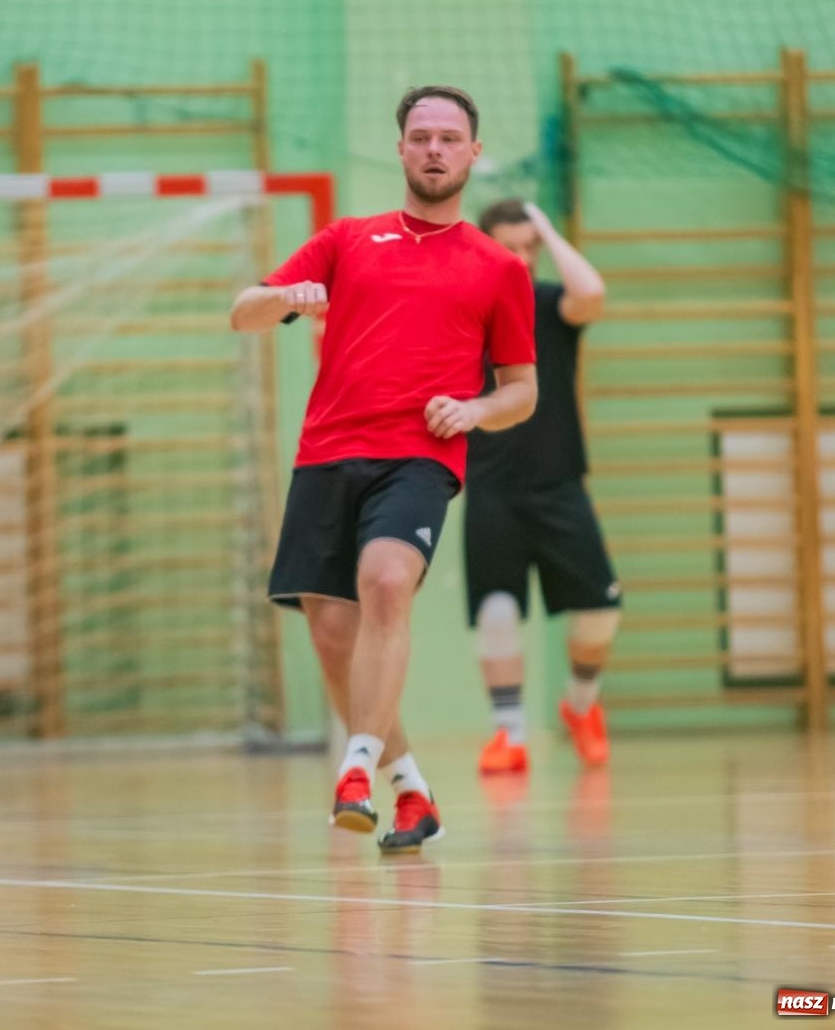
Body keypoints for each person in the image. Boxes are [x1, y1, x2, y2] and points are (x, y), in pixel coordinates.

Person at [229, 86, 537, 853]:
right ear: (401, 149)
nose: (435, 148)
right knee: (335, 635)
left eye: (450, 137)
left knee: (387, 582)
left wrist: (473, 412)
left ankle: (357, 763)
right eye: (421, 136)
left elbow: (522, 391)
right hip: (327, 454)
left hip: (419, 459)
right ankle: (410, 787)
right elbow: (244, 309)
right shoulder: (347, 240)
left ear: (472, 152)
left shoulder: (499, 268)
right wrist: (285, 298)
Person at [464, 198, 619, 776]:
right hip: (491, 487)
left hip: (559, 483)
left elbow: (593, 293)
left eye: (529, 246)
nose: (522, 256)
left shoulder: (552, 305)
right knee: (498, 611)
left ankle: (581, 706)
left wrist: (550, 229)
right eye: (511, 245)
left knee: (600, 614)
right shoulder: (467, 310)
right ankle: (510, 735)